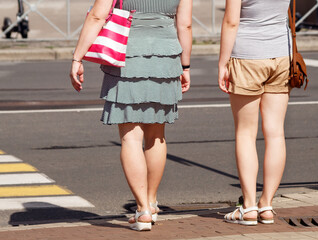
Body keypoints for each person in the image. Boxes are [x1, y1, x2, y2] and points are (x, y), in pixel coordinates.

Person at [70, 0, 192, 231]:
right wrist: (184, 66)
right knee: (156, 135)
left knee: (131, 138)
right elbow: (184, 25)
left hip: (126, 54)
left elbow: (97, 16)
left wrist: (78, 58)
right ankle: (152, 202)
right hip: (165, 57)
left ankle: (143, 209)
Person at [218, 0, 292, 225]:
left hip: (247, 55)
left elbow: (231, 21)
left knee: (245, 133)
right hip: (281, 55)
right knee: (276, 133)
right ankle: (267, 204)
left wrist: (222, 63)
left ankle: (249, 206)